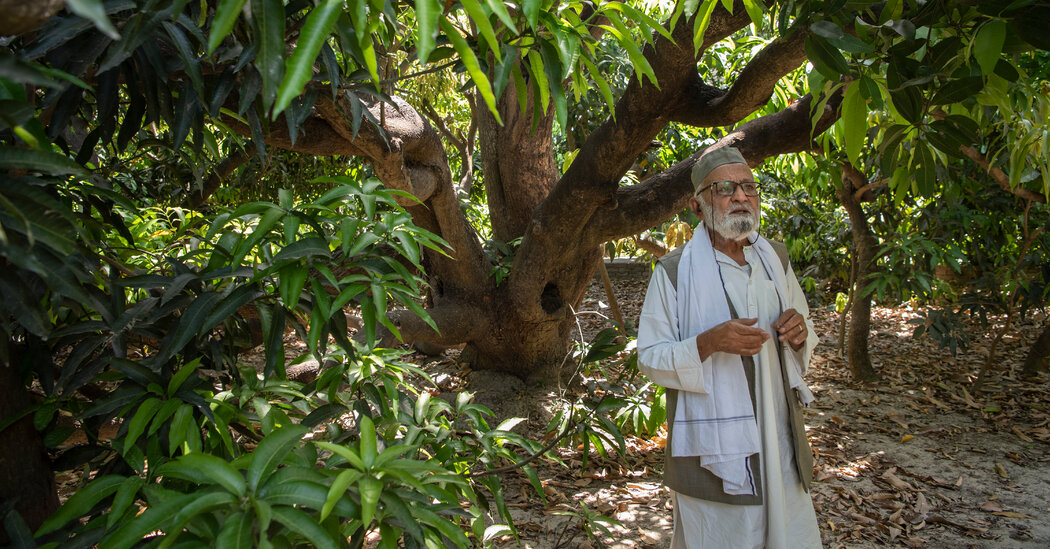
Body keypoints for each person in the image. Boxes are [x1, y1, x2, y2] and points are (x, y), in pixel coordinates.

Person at [637, 146, 821, 548]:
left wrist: (799, 333)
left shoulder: (776, 260)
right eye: (725, 188)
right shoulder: (673, 272)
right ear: (698, 206)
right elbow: (650, 357)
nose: (741, 196)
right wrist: (707, 343)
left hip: (780, 437)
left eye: (749, 187)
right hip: (716, 453)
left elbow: (804, 333)